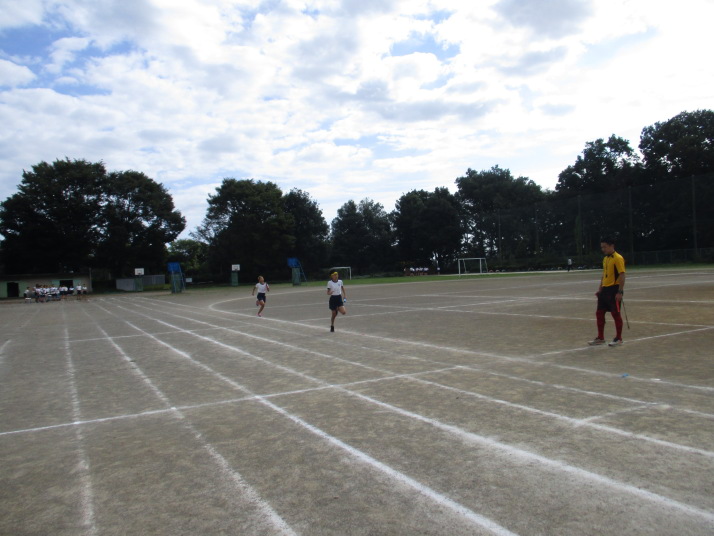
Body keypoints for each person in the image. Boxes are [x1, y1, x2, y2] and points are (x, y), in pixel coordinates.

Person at [589, 237, 626, 347]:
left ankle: (618, 338)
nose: (603, 249)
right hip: (605, 290)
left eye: (604, 247)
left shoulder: (618, 258)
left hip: (614, 289)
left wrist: (620, 292)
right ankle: (600, 337)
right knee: (599, 313)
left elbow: (622, 275)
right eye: (602, 247)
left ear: (611, 245)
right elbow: (604, 274)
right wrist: (600, 288)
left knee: (616, 314)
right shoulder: (605, 259)